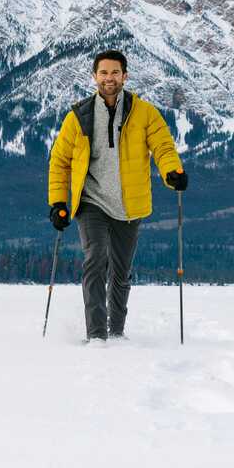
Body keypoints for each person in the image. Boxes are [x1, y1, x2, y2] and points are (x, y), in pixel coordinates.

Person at [48, 49, 188, 343]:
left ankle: (117, 331)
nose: (109, 78)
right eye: (103, 73)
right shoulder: (78, 117)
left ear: (125, 76)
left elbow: (163, 147)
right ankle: (97, 336)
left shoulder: (145, 113)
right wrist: (58, 203)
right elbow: (60, 161)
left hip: (129, 205)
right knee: (95, 259)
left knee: (121, 271)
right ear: (94, 77)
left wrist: (172, 172)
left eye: (114, 72)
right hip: (91, 201)